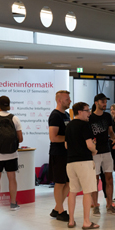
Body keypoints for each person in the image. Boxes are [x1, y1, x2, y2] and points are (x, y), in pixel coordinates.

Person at [64, 102, 99, 230]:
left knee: (72, 191)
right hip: (84, 161)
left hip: (70, 163)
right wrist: (94, 151)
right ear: (80, 111)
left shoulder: (68, 126)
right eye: (87, 110)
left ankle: (71, 220)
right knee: (87, 192)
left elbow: (66, 145)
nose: (89, 113)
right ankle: (86, 222)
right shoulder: (85, 125)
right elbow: (90, 145)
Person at [89, 93, 115, 216]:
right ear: (96, 103)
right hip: (95, 152)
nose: (105, 104)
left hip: (107, 150)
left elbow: (111, 132)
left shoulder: (107, 116)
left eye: (105, 102)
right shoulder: (90, 118)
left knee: (109, 178)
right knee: (95, 179)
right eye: (102, 102)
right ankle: (95, 205)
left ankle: (109, 205)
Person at [48, 90, 72, 222]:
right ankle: (61, 210)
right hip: (58, 153)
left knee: (68, 182)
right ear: (59, 100)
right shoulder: (55, 116)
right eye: (67, 99)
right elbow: (53, 137)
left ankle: (57, 208)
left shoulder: (66, 115)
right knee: (60, 182)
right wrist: (69, 139)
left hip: (67, 154)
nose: (69, 101)